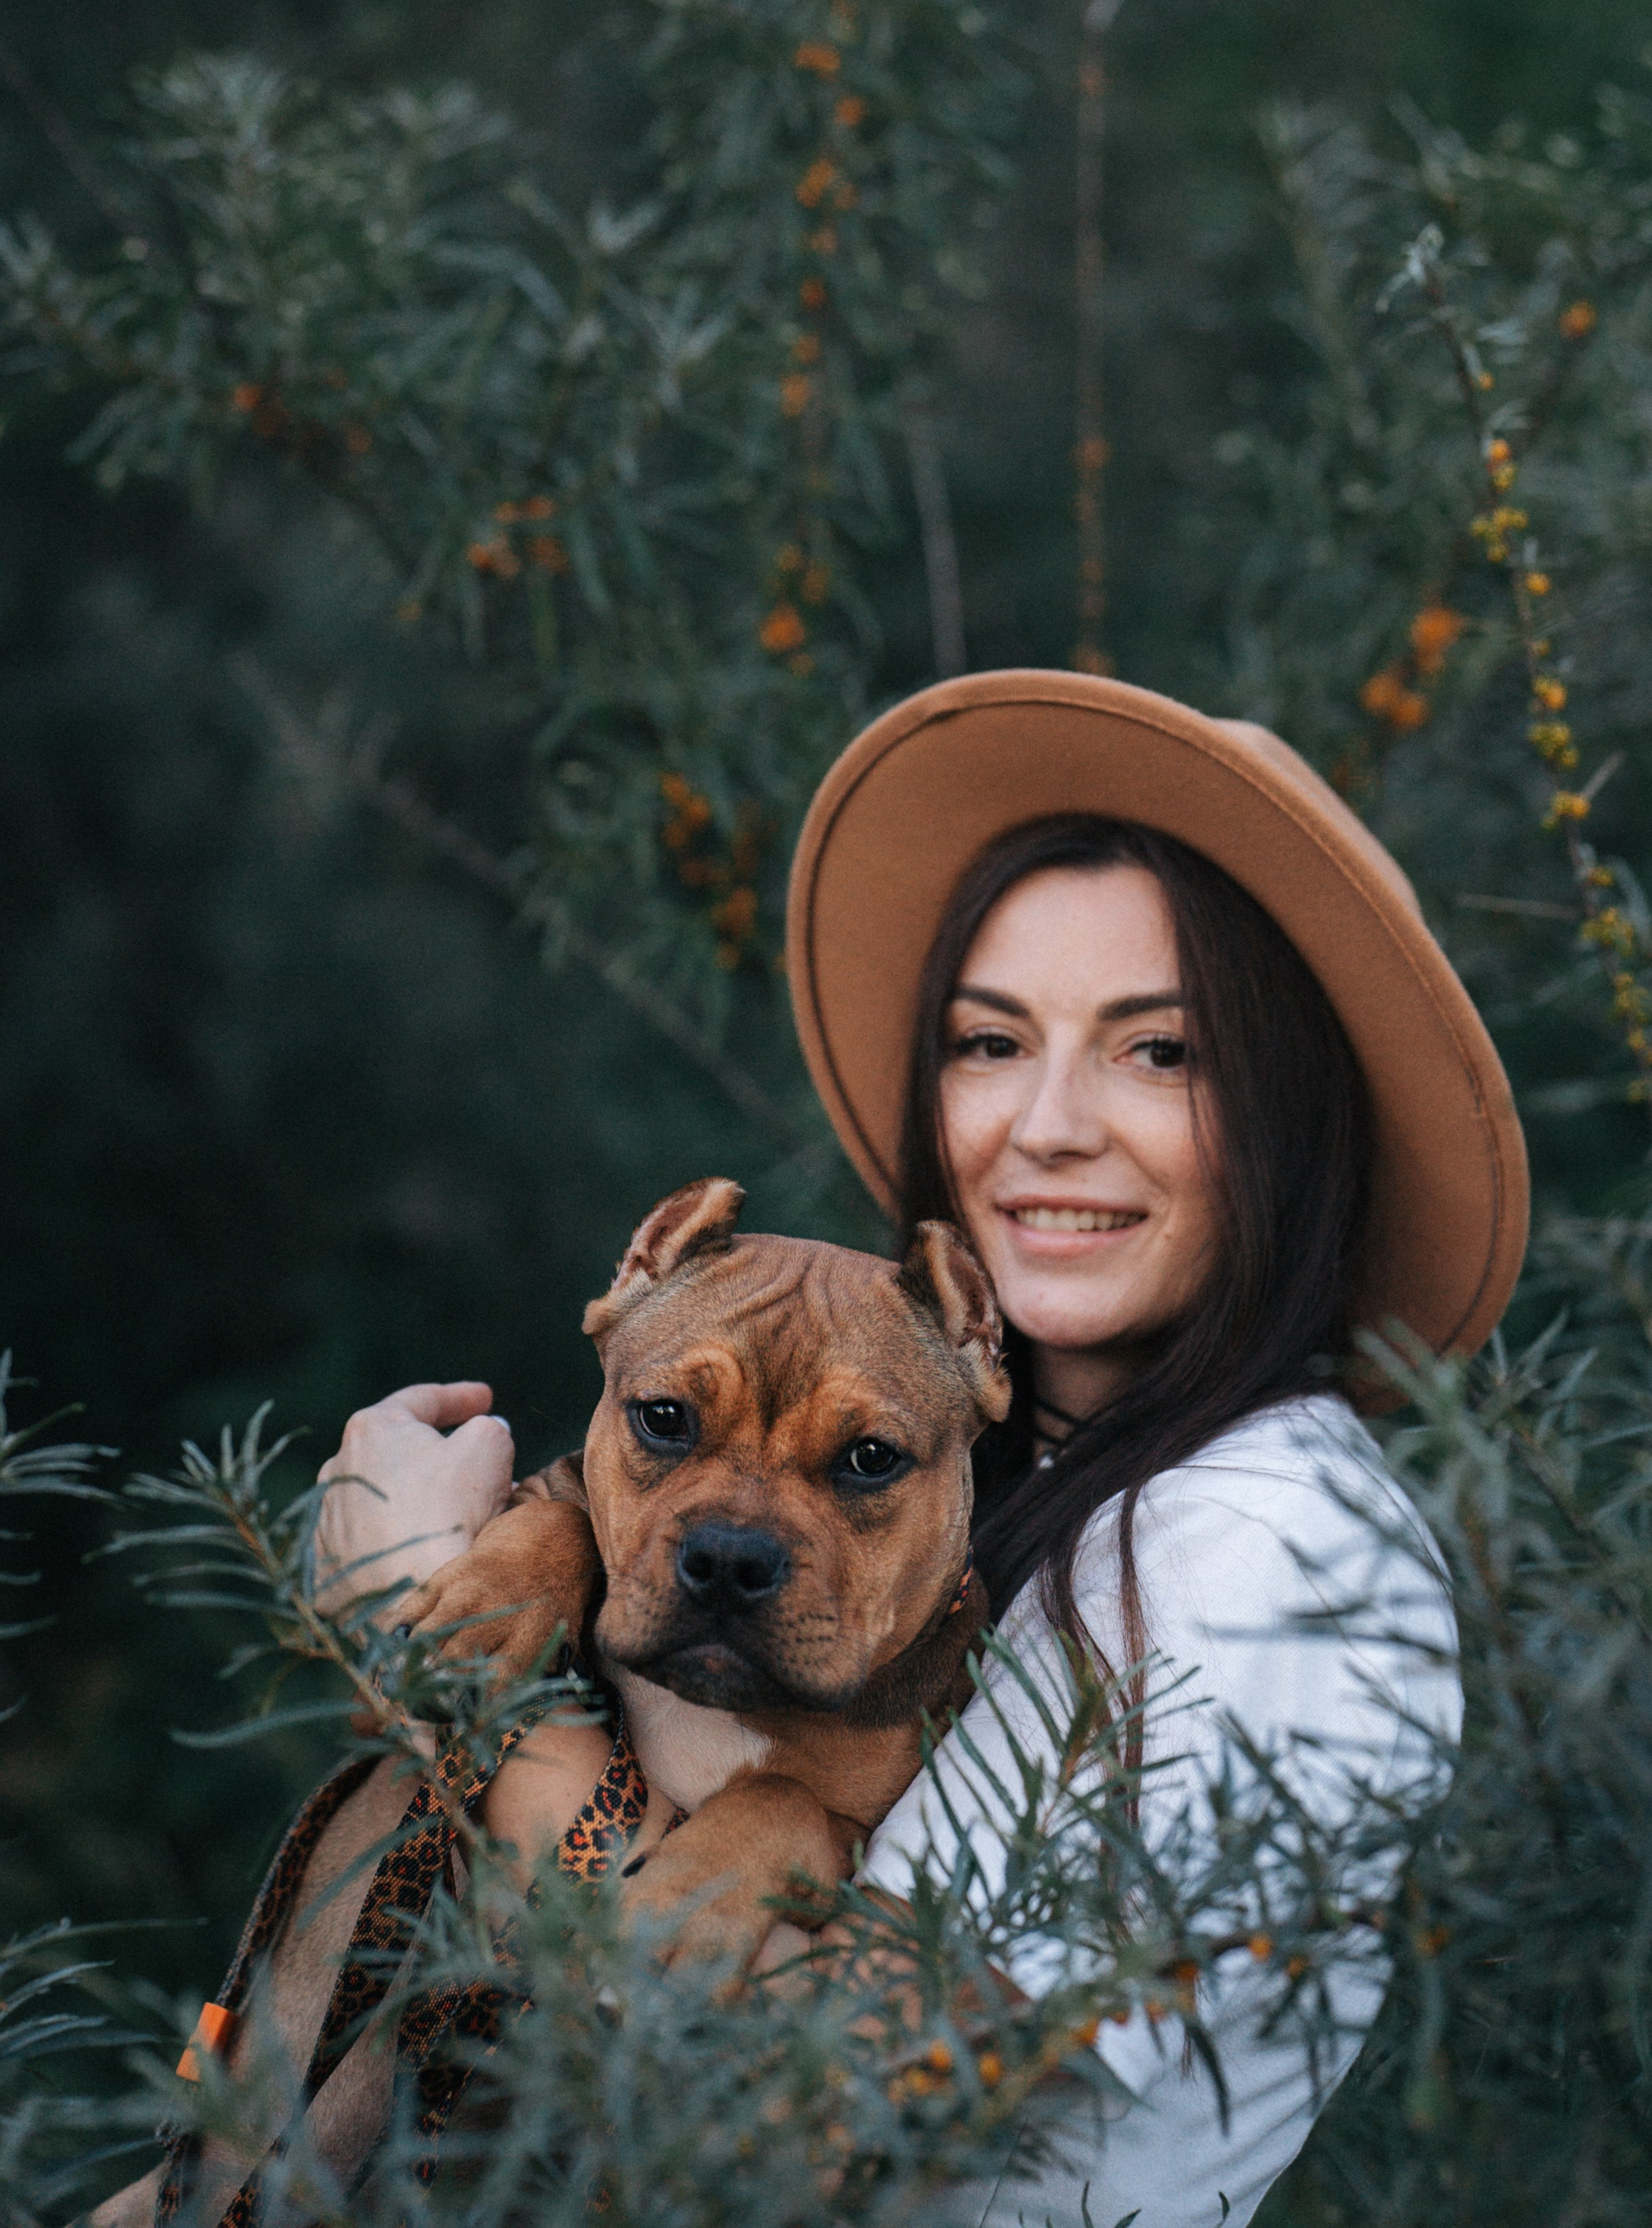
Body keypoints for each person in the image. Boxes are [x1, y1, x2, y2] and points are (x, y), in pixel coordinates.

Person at [315, 669, 1529, 2228]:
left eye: (1159, 1054)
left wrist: (420, 1626)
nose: (1048, 1125)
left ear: (1293, 1117)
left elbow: (801, 2108)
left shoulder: (1274, 1553)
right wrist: (538, 1551)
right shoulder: (1008, 1480)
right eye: (987, 1041)